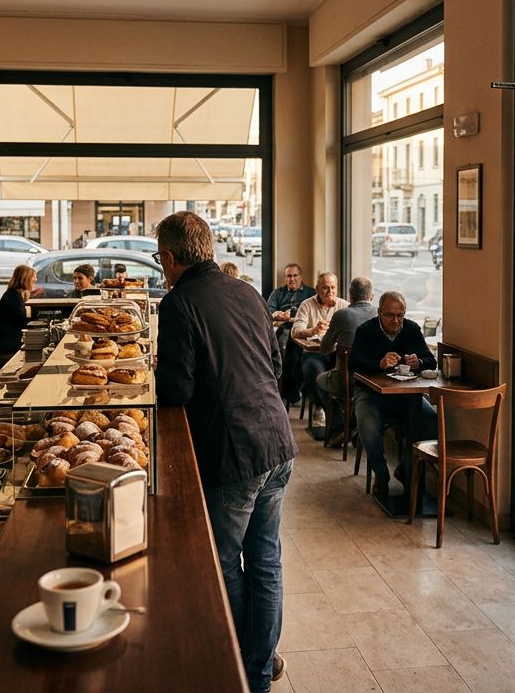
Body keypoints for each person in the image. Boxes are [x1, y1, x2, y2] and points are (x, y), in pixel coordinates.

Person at [154, 211, 297, 693]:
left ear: (171, 258)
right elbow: (275, 364)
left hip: (233, 449)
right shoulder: (248, 292)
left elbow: (175, 389)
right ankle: (260, 666)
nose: (162, 268)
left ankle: (242, 666)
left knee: (223, 560)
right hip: (277, 441)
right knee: (266, 558)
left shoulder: (178, 304)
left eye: (160, 260)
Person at [350, 291, 437, 501]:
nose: (396, 320)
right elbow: (353, 364)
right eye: (390, 315)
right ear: (379, 312)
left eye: (400, 315)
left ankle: (407, 471)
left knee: (431, 421)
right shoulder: (366, 331)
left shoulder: (411, 329)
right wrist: (378, 364)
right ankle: (381, 474)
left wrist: (419, 362)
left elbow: (431, 361)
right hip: (370, 393)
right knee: (368, 426)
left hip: (404, 395)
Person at [318, 277, 377, 447]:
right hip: (374, 382)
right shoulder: (380, 315)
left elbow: (323, 349)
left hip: (347, 381)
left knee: (319, 380)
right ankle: (353, 426)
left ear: (350, 295)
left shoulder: (342, 315)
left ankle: (340, 427)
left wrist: (338, 346)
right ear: (371, 296)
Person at [291, 272, 348, 430]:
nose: (330, 292)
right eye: (325, 288)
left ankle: (341, 414)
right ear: (317, 289)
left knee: (348, 372)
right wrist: (313, 330)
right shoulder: (307, 305)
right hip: (314, 353)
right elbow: (295, 331)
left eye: (333, 288)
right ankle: (322, 409)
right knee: (315, 372)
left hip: (337, 353)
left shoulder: (344, 306)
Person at [266, 263, 315, 403]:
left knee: (289, 346)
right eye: (289, 276)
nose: (292, 279)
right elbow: (268, 312)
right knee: (282, 343)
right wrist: (277, 314)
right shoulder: (278, 293)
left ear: (301, 277)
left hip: (303, 332)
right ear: (285, 278)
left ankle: (291, 388)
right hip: (282, 329)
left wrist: (293, 318)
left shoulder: (310, 293)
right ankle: (284, 389)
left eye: (295, 275)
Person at [0, 264, 35, 358]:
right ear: (25, 279)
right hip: (9, 343)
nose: (34, 281)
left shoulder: (13, 294)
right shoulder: (13, 298)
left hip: (9, 339)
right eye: (33, 280)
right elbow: (23, 323)